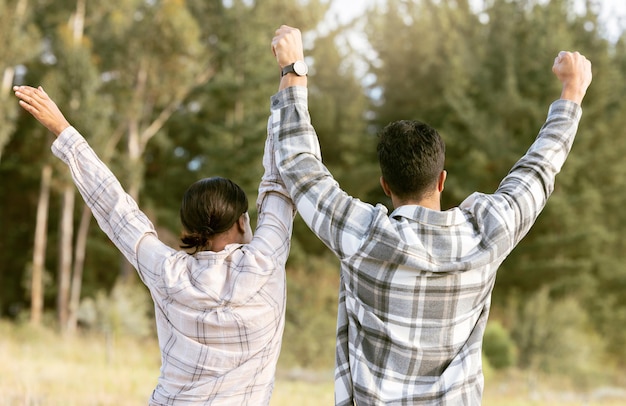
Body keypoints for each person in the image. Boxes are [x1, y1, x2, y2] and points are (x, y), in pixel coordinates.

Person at [269, 25, 592, 405]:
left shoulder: (364, 237)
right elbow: (538, 169)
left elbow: (300, 166)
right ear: (441, 180)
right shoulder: (486, 234)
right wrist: (572, 93)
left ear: (385, 185)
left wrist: (294, 70)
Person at [13, 85, 296, 405]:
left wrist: (63, 130)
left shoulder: (168, 272)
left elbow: (114, 208)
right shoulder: (266, 261)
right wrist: (290, 79)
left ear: (190, 228)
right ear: (242, 222)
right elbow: (277, 186)